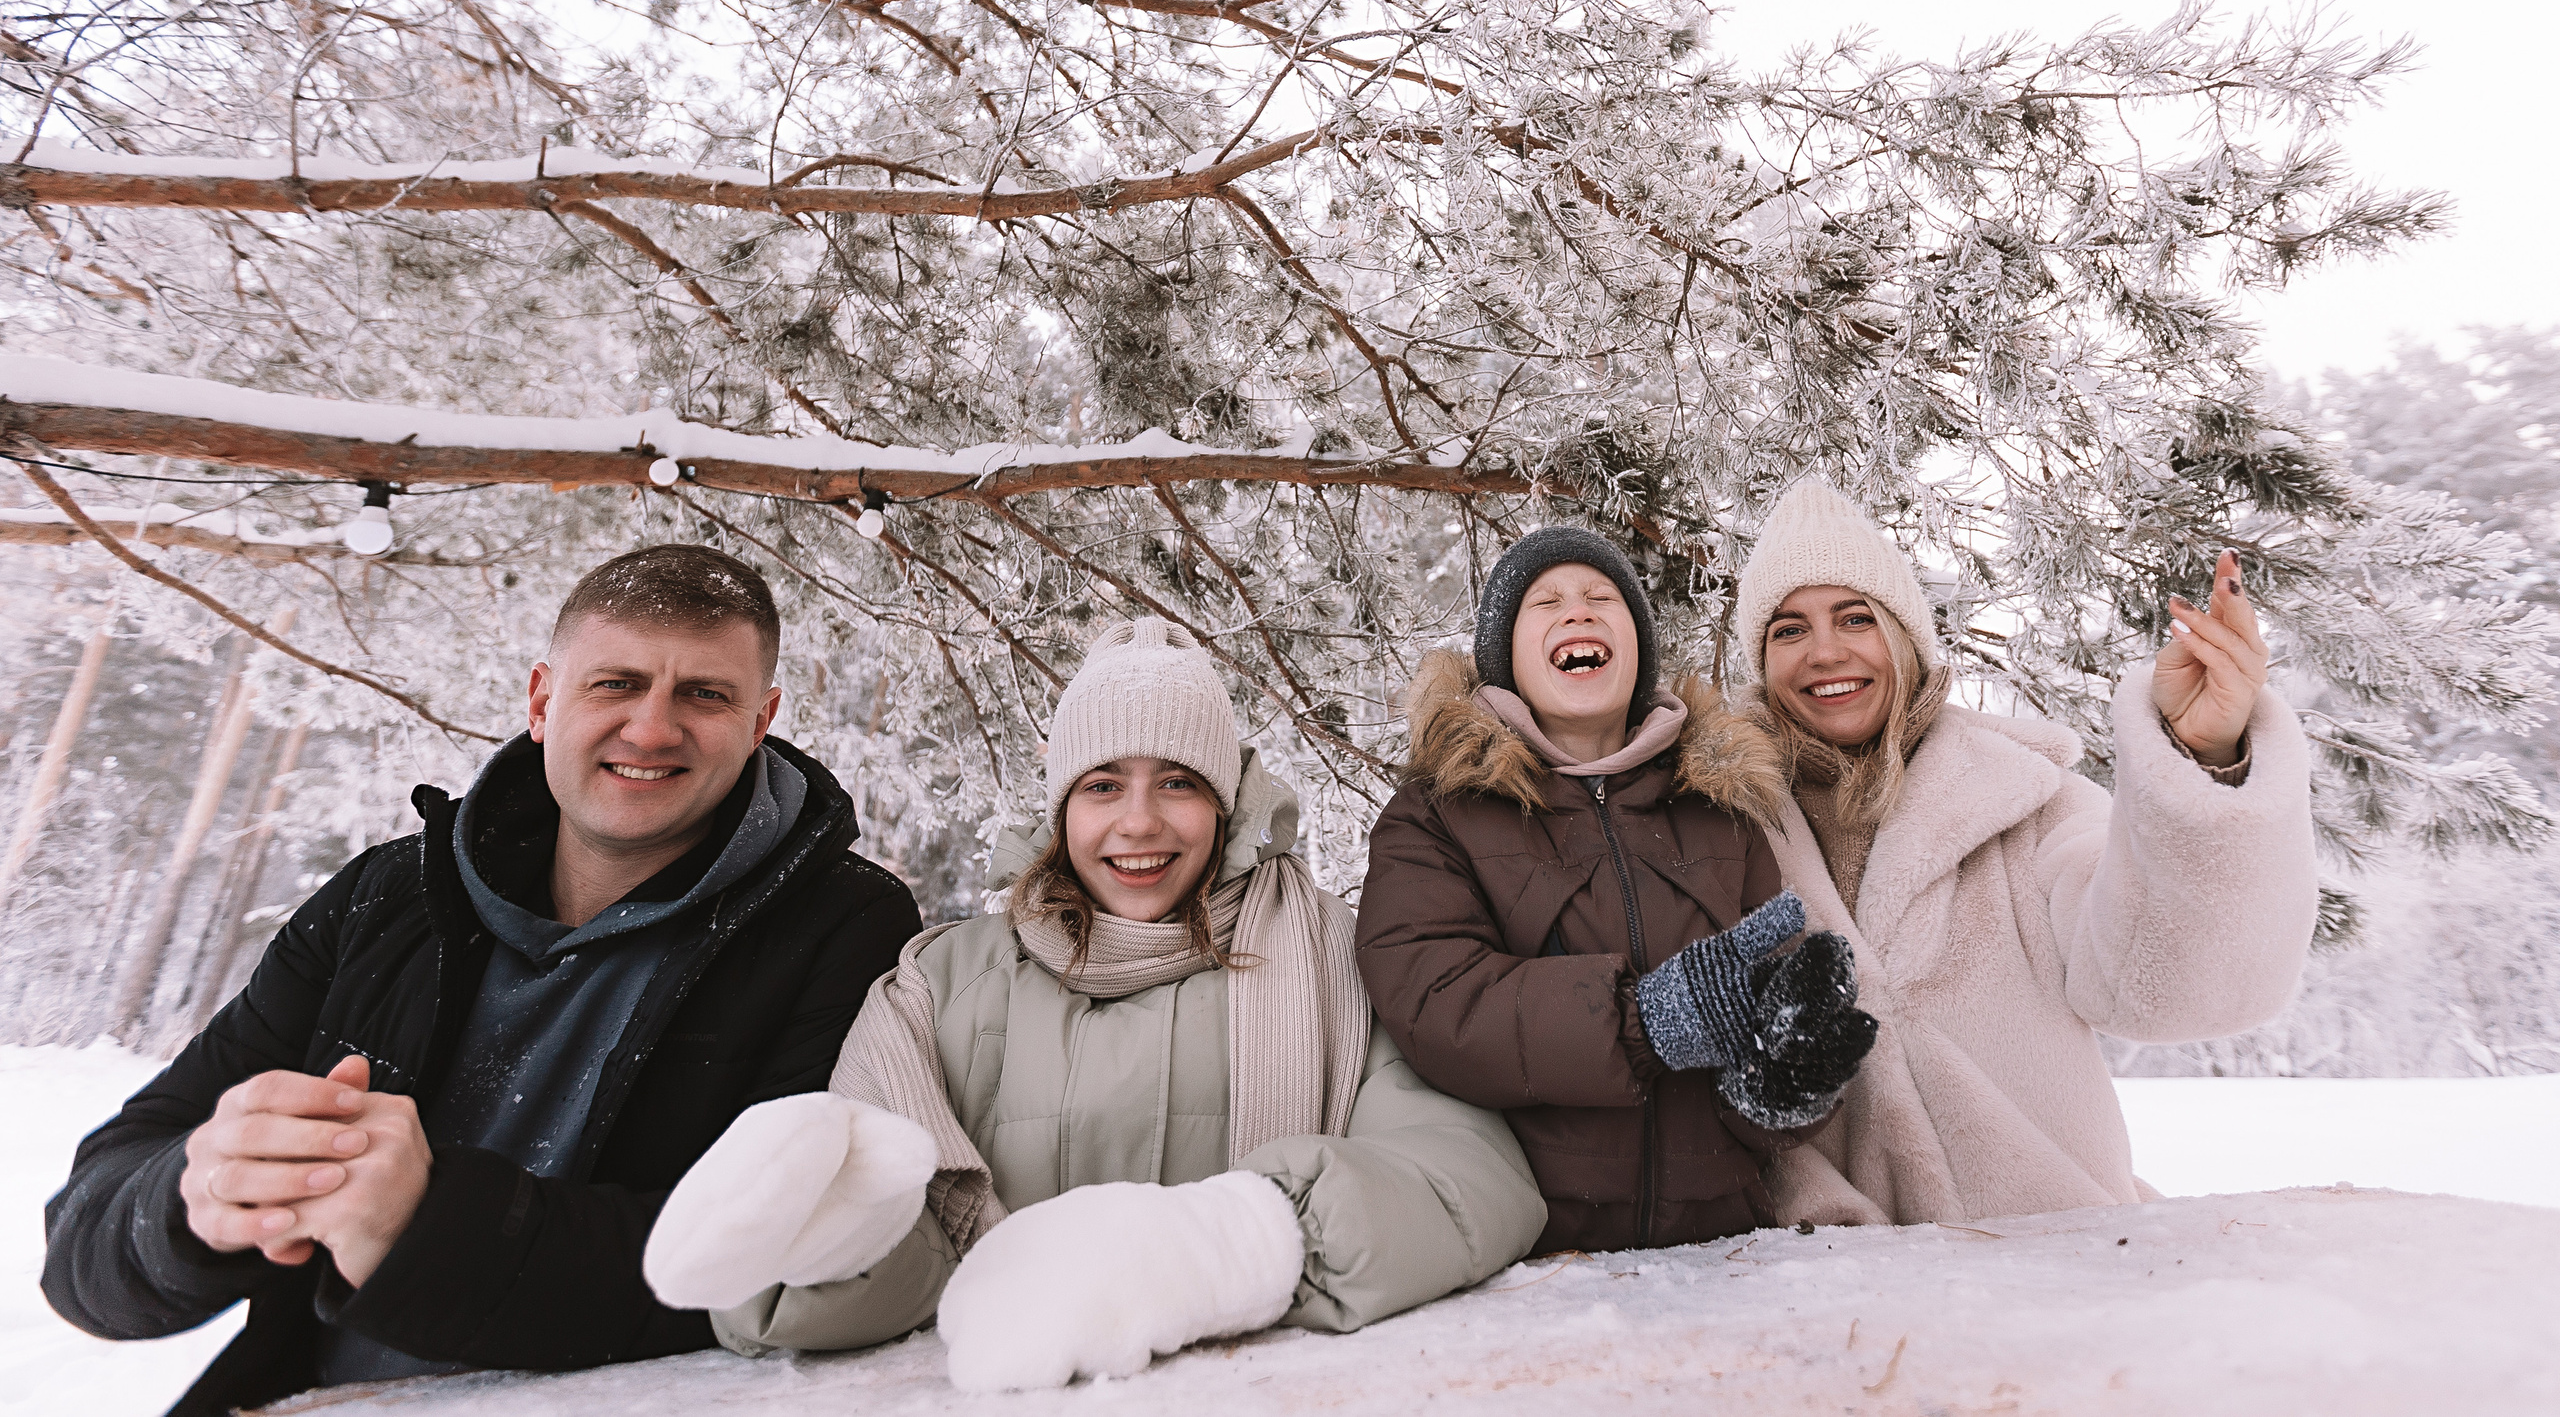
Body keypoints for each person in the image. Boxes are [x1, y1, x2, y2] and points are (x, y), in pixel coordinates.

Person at [42, 545, 922, 1416]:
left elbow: (774, 1262)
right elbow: (84, 1238)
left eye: (705, 693)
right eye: (615, 683)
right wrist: (192, 1198)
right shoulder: (387, 898)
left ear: (761, 718)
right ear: (543, 699)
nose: (652, 728)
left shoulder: (847, 929)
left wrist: (422, 1226)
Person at [643, 618, 1545, 1391]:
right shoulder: (938, 986)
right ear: (1061, 804)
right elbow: (912, 1251)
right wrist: (820, 1242)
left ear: (1227, 803)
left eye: (1180, 782)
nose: (1140, 822)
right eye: (1103, 783)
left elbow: (1468, 1177)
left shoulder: (1336, 958)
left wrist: (1224, 1248)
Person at [1728, 479, 2318, 1225]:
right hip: (1832, 1299)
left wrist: (2205, 760)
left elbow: (2175, 987)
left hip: (2055, 1267)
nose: (1825, 651)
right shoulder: (1716, 828)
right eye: (1788, 630)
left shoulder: (2028, 802)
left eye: (1856, 617)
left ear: (1905, 636)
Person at [1358, 527, 1881, 1255]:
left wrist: (1781, 1090)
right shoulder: (1439, 810)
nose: (1580, 612)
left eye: (1604, 599)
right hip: (1530, 1254)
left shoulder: (1719, 807)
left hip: (1723, 1254)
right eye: (1547, 602)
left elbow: (1767, 999)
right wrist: (1643, 1020)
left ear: (1636, 651)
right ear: (1504, 654)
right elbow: (1435, 999)